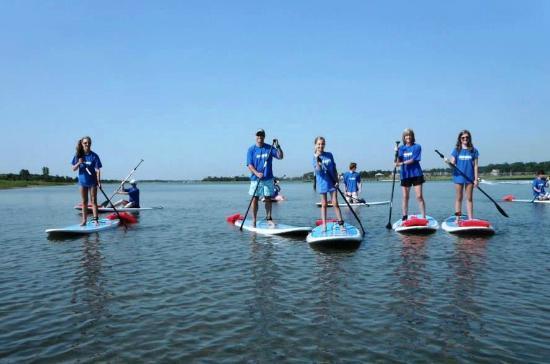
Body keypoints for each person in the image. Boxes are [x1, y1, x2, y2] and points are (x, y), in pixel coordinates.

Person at [247, 129, 284, 227]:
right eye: (258, 135)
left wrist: (278, 146)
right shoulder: (251, 149)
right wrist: (257, 173)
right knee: (255, 198)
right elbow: (249, 165)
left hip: (268, 178)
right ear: (255, 136)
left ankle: (269, 219)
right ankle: (254, 220)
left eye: (262, 135)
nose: (260, 137)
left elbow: (280, 156)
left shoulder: (269, 148)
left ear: (264, 136)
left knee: (268, 198)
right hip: (256, 179)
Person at [313, 136, 345, 231]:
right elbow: (318, 170)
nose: (320, 146)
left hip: (332, 182)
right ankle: (324, 225)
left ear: (324, 144)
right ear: (315, 145)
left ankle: (341, 224)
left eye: (322, 144)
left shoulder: (329, 155)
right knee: (324, 204)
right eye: (318, 144)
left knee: (335, 203)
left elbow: (334, 168)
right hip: (322, 183)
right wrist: (317, 159)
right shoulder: (314, 158)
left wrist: (337, 181)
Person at [396, 128, 426, 221]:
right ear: (404, 137)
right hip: (405, 175)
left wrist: (402, 163)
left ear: (412, 137)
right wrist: (396, 152)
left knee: (419, 196)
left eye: (409, 135)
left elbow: (413, 160)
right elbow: (397, 162)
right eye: (406, 135)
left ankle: (423, 216)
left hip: (416, 174)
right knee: (405, 196)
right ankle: (405, 216)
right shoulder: (401, 148)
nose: (408, 137)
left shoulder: (417, 147)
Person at [449, 129, 479, 221]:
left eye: (467, 137)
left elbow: (476, 166)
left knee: (469, 198)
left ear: (469, 138)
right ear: (460, 139)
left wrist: (476, 179)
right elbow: (452, 164)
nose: (465, 139)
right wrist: (450, 162)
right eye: (463, 138)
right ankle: (458, 218)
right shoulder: (456, 150)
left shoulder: (474, 151)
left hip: (470, 178)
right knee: (459, 198)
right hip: (458, 177)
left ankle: (470, 218)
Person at [71, 136, 102, 225]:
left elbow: (98, 170)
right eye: (85, 143)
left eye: (89, 143)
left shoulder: (94, 156)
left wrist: (99, 182)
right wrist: (79, 162)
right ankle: (84, 221)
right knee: (84, 201)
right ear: (82, 144)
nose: (87, 144)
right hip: (82, 182)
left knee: (93, 201)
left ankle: (95, 220)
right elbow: (73, 169)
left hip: (92, 182)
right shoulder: (78, 155)